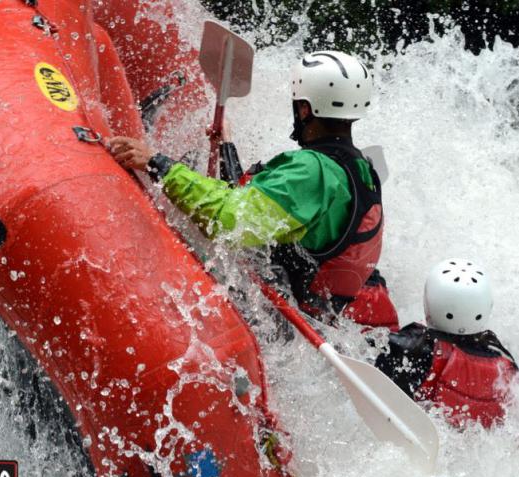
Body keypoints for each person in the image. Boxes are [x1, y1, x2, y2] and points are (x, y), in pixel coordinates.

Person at [109, 50, 398, 330]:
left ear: (305, 109)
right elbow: (264, 208)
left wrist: (158, 164)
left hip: (290, 320)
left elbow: (229, 221)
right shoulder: (363, 167)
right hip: (327, 313)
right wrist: (227, 147)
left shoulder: (312, 171)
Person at [375, 259, 519, 428]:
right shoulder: (506, 365)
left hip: (418, 431)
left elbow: (366, 352)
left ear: (429, 303)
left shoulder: (416, 349)